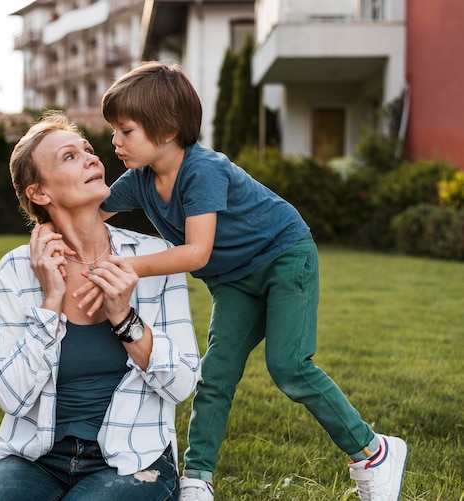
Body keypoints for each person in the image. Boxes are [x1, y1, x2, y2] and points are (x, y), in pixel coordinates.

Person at [76, 61, 407, 501]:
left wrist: (129, 268)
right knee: (216, 374)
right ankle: (197, 478)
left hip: (284, 257)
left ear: (168, 129)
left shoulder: (202, 170)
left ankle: (373, 452)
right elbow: (89, 214)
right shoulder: (139, 182)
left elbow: (197, 252)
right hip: (234, 281)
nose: (114, 141)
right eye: (113, 130)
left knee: (289, 365)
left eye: (126, 130)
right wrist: (51, 229)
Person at [0, 111, 201, 501]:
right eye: (70, 156)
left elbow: (182, 383)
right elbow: (9, 395)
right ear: (39, 193)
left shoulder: (155, 258)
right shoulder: (16, 271)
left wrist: (124, 318)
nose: (93, 158)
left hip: (132, 460)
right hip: (35, 457)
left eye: (88, 150)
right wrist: (50, 303)